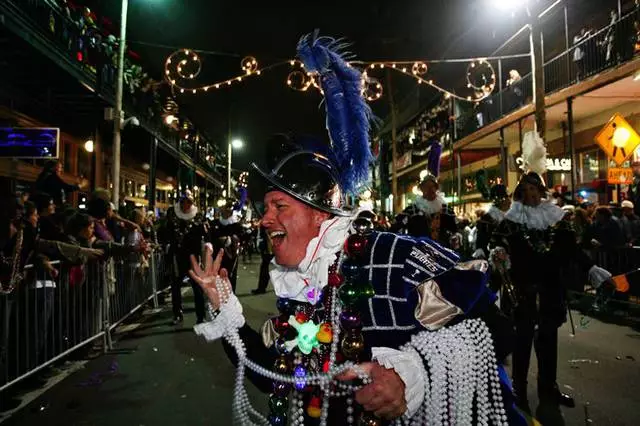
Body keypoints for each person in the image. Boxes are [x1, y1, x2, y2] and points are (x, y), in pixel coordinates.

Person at [188, 34, 525, 426]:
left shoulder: (395, 257)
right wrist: (225, 307)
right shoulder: (301, 290)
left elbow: (497, 329)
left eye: (279, 206)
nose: (265, 220)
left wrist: (412, 373)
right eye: (265, 208)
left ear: (321, 215)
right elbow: (272, 372)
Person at [490, 132, 612, 415]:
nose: (531, 195)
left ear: (541, 193)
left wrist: (591, 268)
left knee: (548, 342)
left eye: (535, 190)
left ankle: (549, 387)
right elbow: (498, 246)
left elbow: (572, 250)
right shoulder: (511, 222)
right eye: (526, 191)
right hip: (521, 293)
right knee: (521, 344)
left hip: (550, 292)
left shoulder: (557, 220)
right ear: (520, 194)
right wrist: (496, 256)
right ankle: (518, 391)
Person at [166, 191, 209, 325]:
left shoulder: (198, 216)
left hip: (193, 257)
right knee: (175, 287)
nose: (186, 205)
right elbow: (166, 232)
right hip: (177, 256)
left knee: (197, 287)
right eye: (184, 202)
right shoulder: (172, 214)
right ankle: (177, 314)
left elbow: (205, 235)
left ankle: (201, 316)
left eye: (189, 202)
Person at [474, 183, 510, 260]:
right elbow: (481, 245)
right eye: (506, 197)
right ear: (499, 200)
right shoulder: (487, 219)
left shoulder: (511, 216)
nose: (509, 200)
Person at [250, 223, 273, 295]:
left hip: (267, 248)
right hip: (266, 247)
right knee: (265, 267)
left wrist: (269, 249)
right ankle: (262, 287)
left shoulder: (267, 222)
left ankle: (262, 288)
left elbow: (268, 236)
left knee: (264, 267)